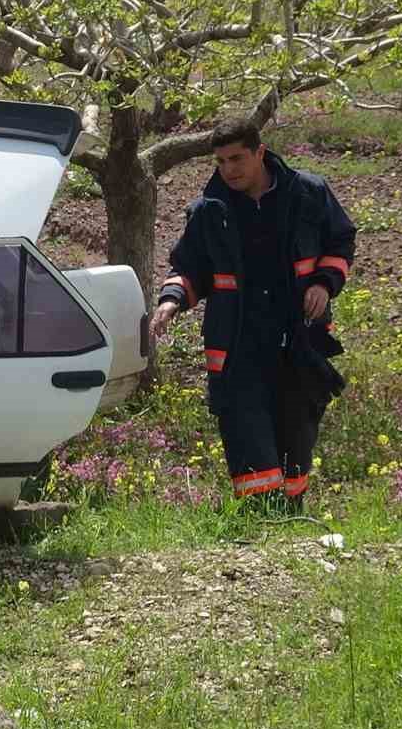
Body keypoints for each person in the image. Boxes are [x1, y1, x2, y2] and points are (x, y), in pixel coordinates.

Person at [149, 117, 357, 509]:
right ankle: (260, 517)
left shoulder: (308, 194)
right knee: (245, 430)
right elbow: (191, 266)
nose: (229, 170)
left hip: (299, 341)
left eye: (237, 159)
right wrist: (171, 300)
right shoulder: (210, 210)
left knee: (296, 432)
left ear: (260, 152)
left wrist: (323, 283)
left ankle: (291, 516)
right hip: (237, 344)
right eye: (221, 161)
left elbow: (341, 240)